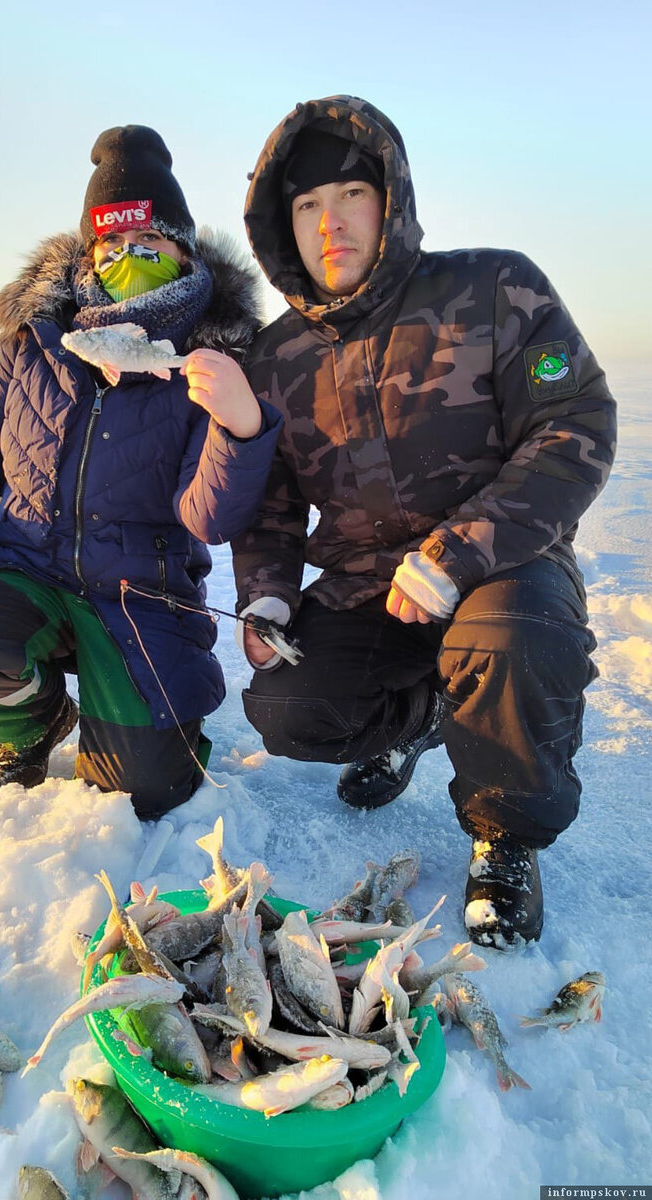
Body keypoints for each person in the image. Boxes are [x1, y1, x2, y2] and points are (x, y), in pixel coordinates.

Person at [232, 96, 616, 948]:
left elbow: (576, 423)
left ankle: (503, 840)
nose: (328, 223)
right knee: (292, 708)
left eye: (349, 197)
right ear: (280, 226)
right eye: (305, 206)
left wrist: (460, 550)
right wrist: (265, 597)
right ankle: (428, 721)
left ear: (390, 199)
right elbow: (272, 502)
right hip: (369, 583)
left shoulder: (493, 287)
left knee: (507, 642)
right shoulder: (276, 355)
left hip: (503, 568)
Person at [0, 125, 281, 820]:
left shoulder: (215, 353)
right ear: (89, 251)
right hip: (24, 565)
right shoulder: (33, 337)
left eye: (148, 244)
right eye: (112, 245)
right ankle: (36, 722)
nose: (128, 258)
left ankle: (145, 731)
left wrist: (237, 427)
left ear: (182, 250)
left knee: (146, 794)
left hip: (140, 588)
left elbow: (208, 518)